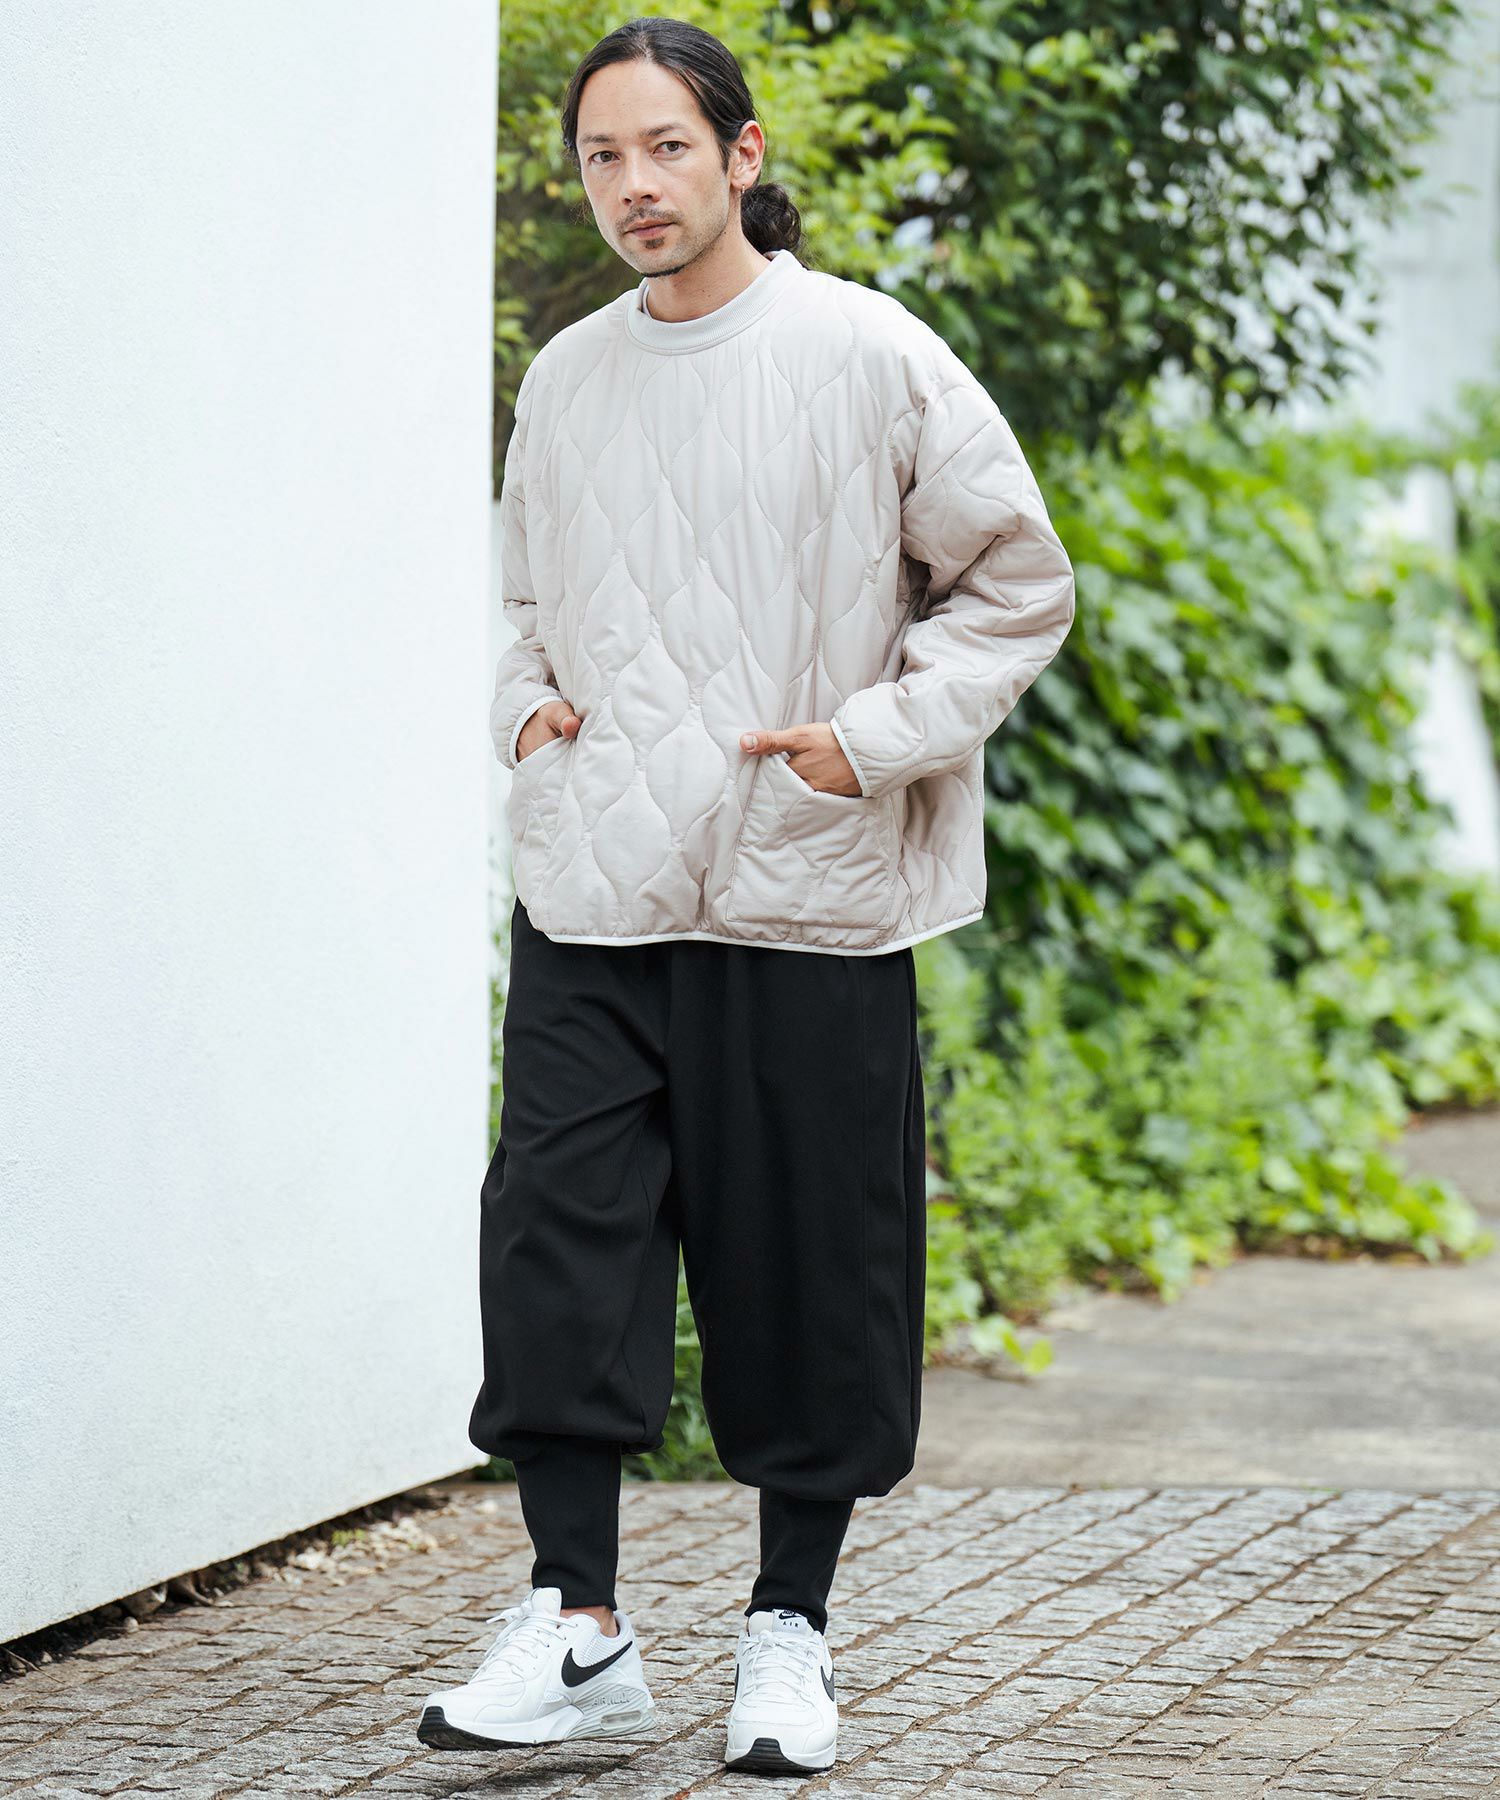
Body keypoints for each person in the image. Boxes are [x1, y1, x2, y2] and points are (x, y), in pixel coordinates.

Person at [418, 14, 1075, 1776]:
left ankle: (790, 1634)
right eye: (602, 157)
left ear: (743, 156)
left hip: (804, 883)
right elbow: (522, 598)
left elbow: (1016, 582)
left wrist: (874, 742)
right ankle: (579, 1624)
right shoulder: (567, 378)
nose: (633, 185)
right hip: (596, 886)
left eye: (665, 148)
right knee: (555, 1247)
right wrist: (526, 713)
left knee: (809, 1267)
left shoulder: (868, 352)